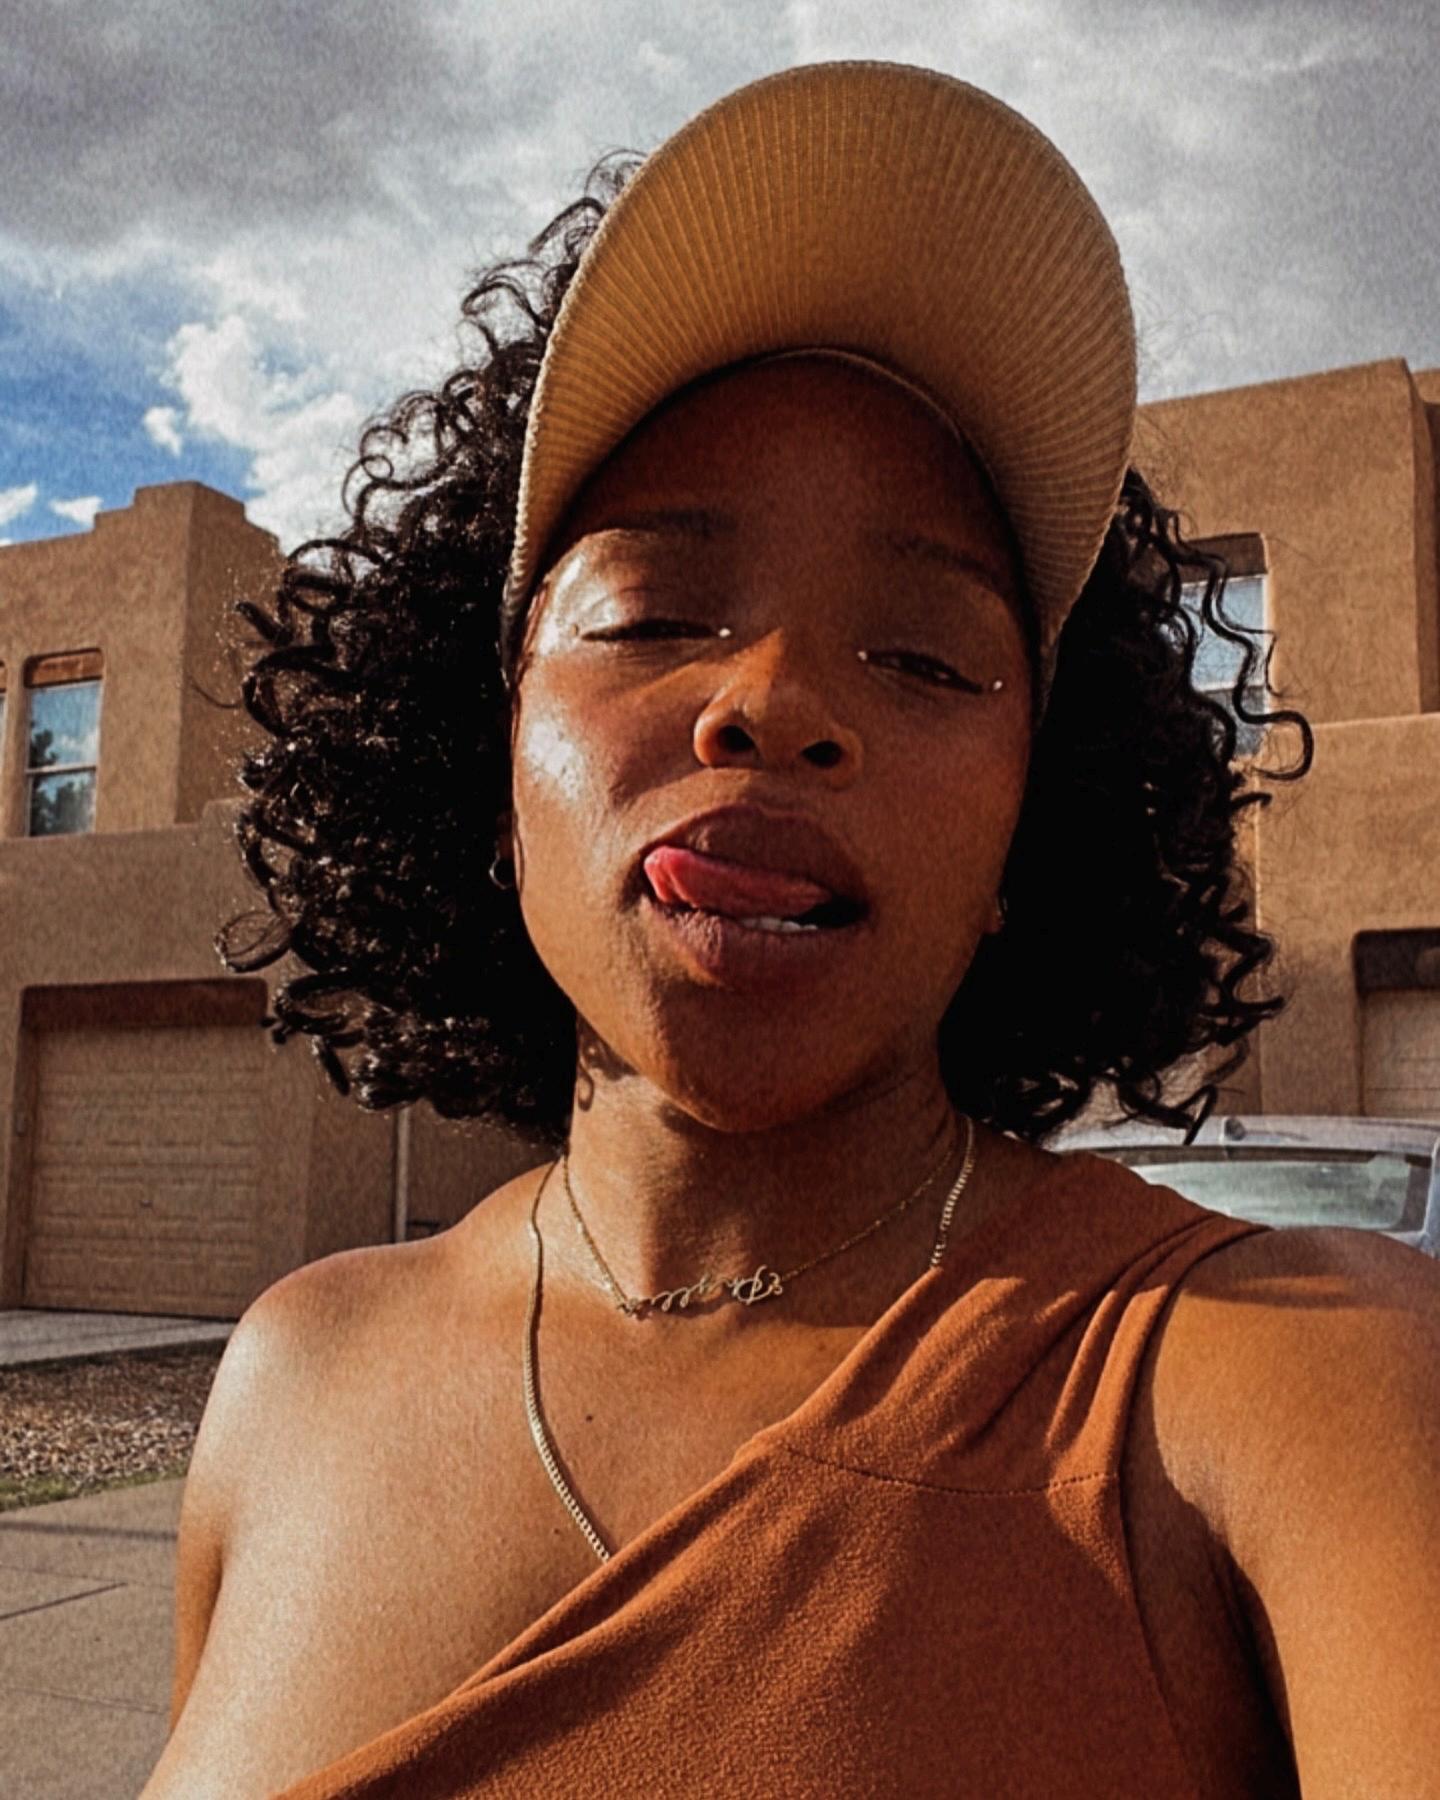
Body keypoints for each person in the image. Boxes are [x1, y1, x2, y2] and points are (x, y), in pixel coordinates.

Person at [146, 61, 1439, 1800]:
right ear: (486, 758)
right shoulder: (289, 1376)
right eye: (652, 613)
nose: (772, 700)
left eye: (925, 658)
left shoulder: (1295, 1375)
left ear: (1028, 838)